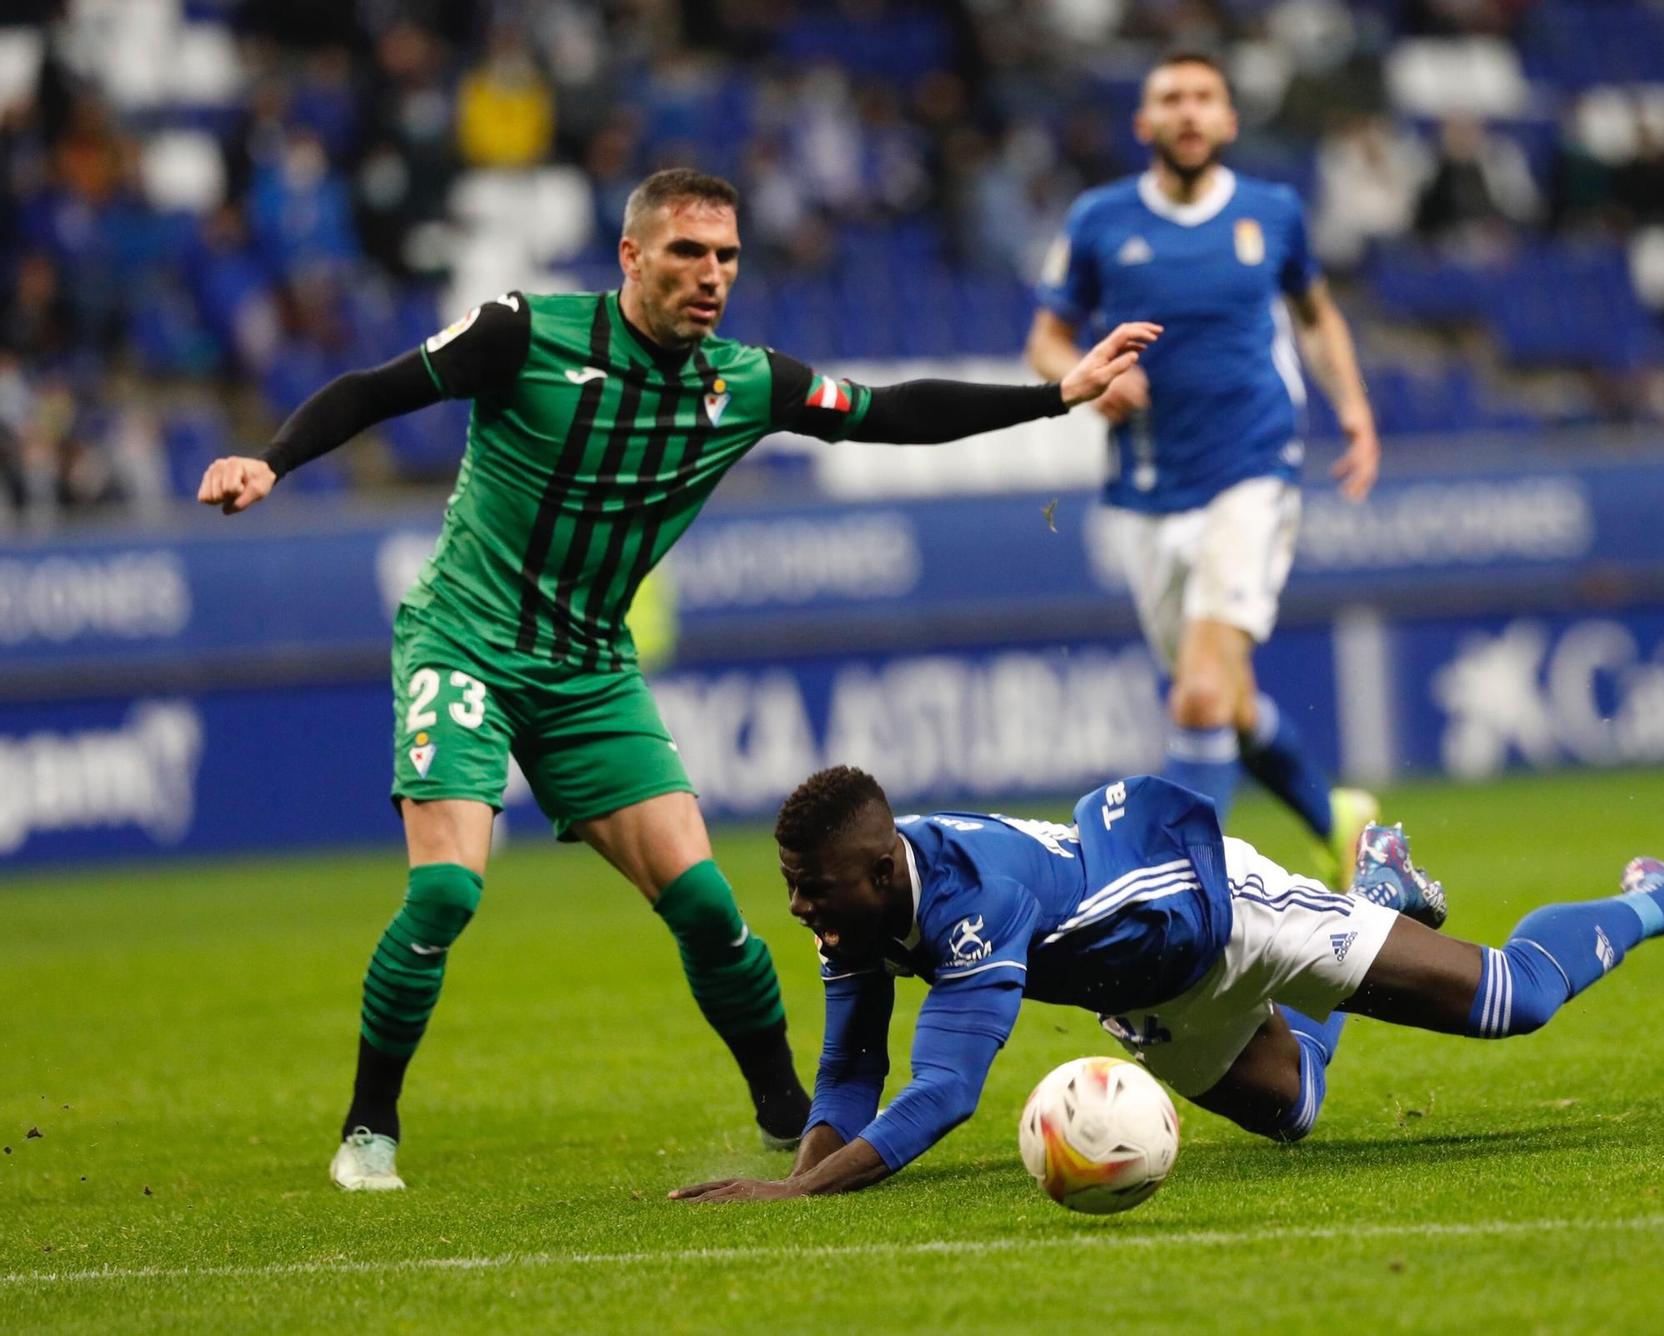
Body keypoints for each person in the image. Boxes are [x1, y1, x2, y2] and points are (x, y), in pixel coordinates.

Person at [196, 167, 1160, 1192]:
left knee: (705, 905)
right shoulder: (524, 333)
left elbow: (887, 412)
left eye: (727, 257)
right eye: (687, 253)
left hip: (588, 669)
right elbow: (375, 389)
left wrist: (1057, 393)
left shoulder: (744, 382)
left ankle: (788, 1110)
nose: (711, 276)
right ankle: (367, 1131)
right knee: (443, 889)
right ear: (631, 257)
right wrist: (272, 459)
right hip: (463, 641)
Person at [668, 765, 1664, 1202]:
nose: (799, 906)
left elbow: (946, 1088)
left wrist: (800, 1191)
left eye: (811, 888)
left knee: (1510, 1000)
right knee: (1294, 1109)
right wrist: (809, 1161)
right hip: (1147, 990)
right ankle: (1381, 892)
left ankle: (1658, 898)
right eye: (791, 887)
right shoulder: (859, 904)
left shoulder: (970, 900)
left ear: (875, 870)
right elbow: (851, 1062)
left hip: (1225, 912)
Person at [1024, 51, 1382, 883]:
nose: (1188, 113)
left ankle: (1184, 902)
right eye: (1170, 100)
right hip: (1147, 493)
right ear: (1144, 124)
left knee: (1196, 698)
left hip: (1252, 472)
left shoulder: (1273, 212)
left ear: (1227, 120)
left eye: (1203, 99)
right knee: (1232, 700)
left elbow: (1318, 318)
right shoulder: (1100, 220)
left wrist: (1356, 412)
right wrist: (1084, 374)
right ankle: (1337, 819)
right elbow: (1045, 339)